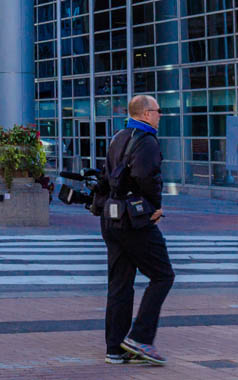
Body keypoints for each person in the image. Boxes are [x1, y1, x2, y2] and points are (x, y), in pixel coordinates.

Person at [93, 94, 175, 366]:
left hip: (111, 217)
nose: (160, 115)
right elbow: (147, 177)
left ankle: (115, 349)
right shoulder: (147, 141)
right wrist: (155, 207)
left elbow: (106, 177)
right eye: (158, 110)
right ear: (146, 113)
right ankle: (140, 337)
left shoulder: (119, 137)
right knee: (163, 275)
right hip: (134, 220)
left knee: (120, 283)